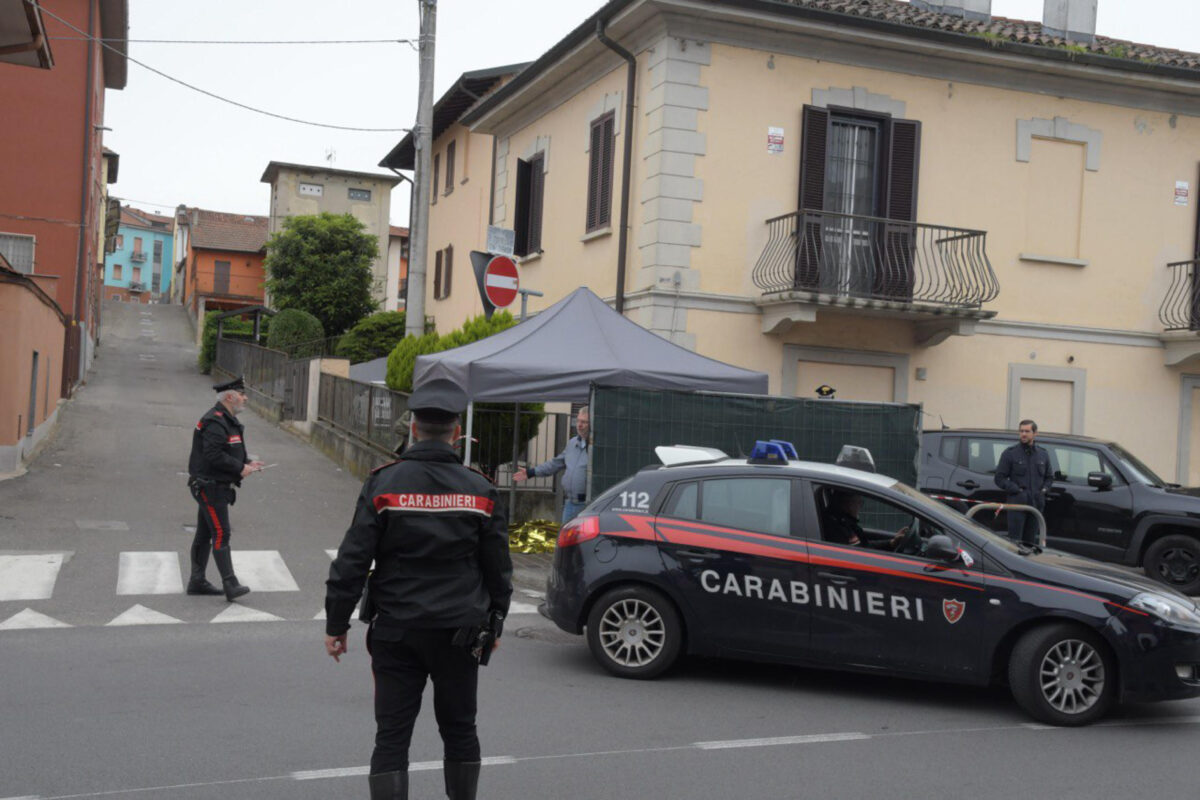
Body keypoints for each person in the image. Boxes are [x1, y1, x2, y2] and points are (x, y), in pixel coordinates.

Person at [324, 378, 513, 800]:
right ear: (456, 433)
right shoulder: (480, 490)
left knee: (391, 737)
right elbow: (499, 569)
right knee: (461, 728)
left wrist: (337, 624)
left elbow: (352, 560)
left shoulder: (383, 484)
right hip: (461, 631)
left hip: (397, 629)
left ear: (412, 428)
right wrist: (495, 625)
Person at [186, 375, 263, 601]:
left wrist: (247, 462)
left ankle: (197, 581)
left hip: (215, 485)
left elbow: (229, 450)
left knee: (204, 532)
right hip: (210, 487)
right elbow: (213, 455)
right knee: (221, 532)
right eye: (241, 394)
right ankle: (230, 584)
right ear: (230, 397)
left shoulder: (227, 420)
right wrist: (239, 468)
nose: (245, 398)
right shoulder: (215, 421)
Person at [513, 405, 590, 523]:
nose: (579, 425)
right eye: (578, 420)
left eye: (584, 422)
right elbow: (555, 464)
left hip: (586, 505)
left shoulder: (596, 447)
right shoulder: (572, 443)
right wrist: (530, 472)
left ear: (591, 424)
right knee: (565, 539)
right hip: (569, 503)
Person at [994, 418, 1054, 546]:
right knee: (1015, 543)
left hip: (1036, 505)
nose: (1024, 434)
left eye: (1027, 431)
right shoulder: (1010, 454)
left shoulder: (1043, 454)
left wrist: (1043, 491)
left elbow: (1049, 478)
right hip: (1017, 505)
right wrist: (1015, 490)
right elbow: (999, 478)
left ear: (1035, 433)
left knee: (1030, 543)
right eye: (1021, 431)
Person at [823, 490, 908, 550]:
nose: (860, 506)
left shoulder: (846, 522)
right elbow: (862, 550)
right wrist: (890, 544)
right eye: (859, 502)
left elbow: (864, 544)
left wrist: (891, 543)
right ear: (847, 504)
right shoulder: (838, 527)